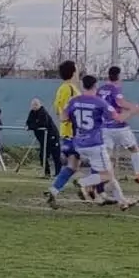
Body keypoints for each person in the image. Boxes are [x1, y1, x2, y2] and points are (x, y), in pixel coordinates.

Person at [46, 74, 132, 210]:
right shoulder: (99, 102)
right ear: (95, 86)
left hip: (79, 143)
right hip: (95, 144)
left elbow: (63, 118)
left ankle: (122, 202)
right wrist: (132, 111)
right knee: (107, 174)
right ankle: (83, 182)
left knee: (107, 172)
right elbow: (118, 118)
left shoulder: (74, 101)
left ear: (82, 85)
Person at [97, 66, 139, 183]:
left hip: (105, 127)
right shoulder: (115, 88)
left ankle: (106, 177)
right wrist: (137, 109)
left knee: (108, 154)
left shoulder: (100, 90)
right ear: (118, 76)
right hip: (119, 126)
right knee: (134, 149)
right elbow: (120, 102)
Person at [48, 61, 83, 197]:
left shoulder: (68, 88)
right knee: (99, 158)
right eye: (77, 69)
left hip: (71, 133)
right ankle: (89, 187)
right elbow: (63, 112)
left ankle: (55, 189)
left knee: (73, 165)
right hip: (73, 133)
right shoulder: (68, 89)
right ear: (73, 72)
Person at [25, 98, 60, 176]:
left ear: (39, 104)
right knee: (42, 155)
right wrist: (31, 126)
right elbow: (28, 122)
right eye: (33, 105)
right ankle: (47, 172)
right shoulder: (32, 113)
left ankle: (58, 173)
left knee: (55, 155)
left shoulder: (43, 112)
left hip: (52, 136)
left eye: (36, 104)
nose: (34, 106)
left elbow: (42, 124)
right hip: (43, 139)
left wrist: (32, 126)